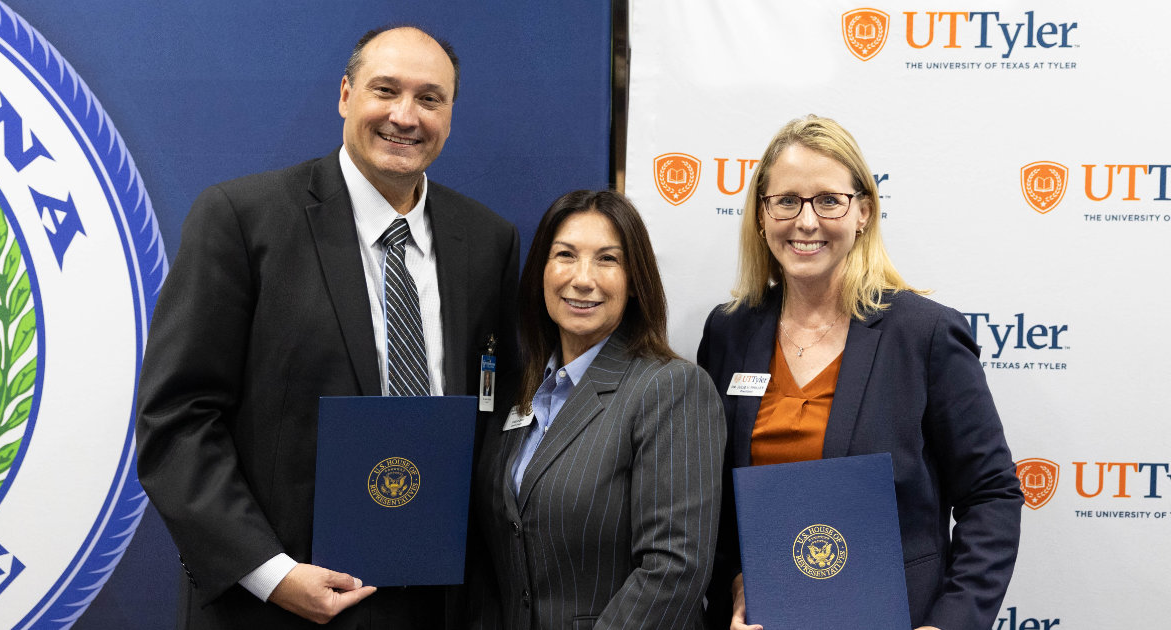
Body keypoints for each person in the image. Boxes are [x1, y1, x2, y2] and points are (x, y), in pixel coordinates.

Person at [136, 25, 519, 629]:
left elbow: (495, 414)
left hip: (437, 601)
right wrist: (271, 573)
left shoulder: (488, 242)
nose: (405, 116)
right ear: (345, 95)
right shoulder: (242, 220)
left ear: (449, 114)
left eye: (429, 98)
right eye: (385, 90)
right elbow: (177, 420)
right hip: (277, 607)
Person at [696, 116, 1022, 630]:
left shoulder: (924, 334)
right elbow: (708, 495)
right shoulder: (729, 331)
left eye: (829, 200)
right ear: (761, 215)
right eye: (786, 201)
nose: (806, 222)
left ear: (863, 212)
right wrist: (737, 582)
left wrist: (948, 623)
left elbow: (991, 495)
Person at [471, 190, 726, 629]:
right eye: (565, 255)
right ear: (541, 272)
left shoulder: (672, 388)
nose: (583, 278)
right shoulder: (515, 391)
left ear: (635, 281)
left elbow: (674, 568)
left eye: (607, 259)